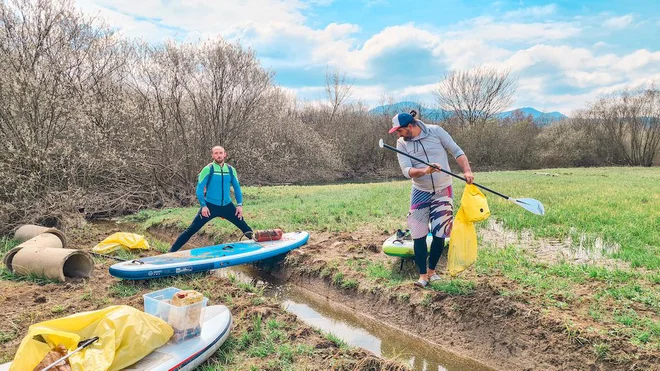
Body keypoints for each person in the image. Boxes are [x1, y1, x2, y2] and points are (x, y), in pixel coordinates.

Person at [389, 110, 474, 288]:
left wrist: (466, 170)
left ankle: (432, 272)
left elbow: (457, 151)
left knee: (440, 233)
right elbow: (407, 171)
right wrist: (424, 171)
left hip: (444, 190)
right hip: (420, 191)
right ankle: (422, 277)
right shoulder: (401, 143)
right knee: (418, 234)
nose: (398, 134)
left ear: (410, 126)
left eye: (400, 130)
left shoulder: (436, 131)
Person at [169, 146, 253, 252]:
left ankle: (261, 249)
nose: (219, 155)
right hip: (210, 206)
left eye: (221, 153)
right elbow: (199, 189)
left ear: (225, 154)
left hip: (227, 206)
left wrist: (239, 205)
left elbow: (237, 188)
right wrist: (203, 206)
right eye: (216, 153)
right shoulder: (208, 169)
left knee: (245, 228)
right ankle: (170, 253)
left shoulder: (231, 170)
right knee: (191, 230)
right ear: (212, 155)